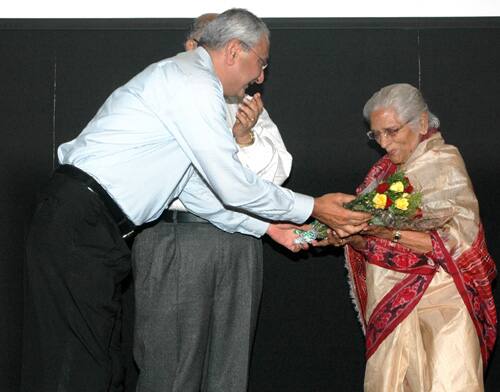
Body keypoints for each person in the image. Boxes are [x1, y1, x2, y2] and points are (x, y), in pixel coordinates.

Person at [21, 9, 370, 392]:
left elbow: (197, 192)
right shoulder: (192, 82)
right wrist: (313, 207)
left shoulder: (189, 86)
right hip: (80, 221)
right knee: (76, 366)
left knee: (101, 365)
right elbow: (231, 184)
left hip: (93, 230)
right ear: (235, 51)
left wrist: (269, 227)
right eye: (261, 62)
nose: (262, 77)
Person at [131, 13, 293, 392]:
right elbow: (200, 181)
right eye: (210, 42)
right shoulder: (169, 88)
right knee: (170, 371)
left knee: (229, 370)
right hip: (179, 238)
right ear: (193, 47)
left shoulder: (245, 103)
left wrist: (244, 139)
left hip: (240, 242)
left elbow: (279, 169)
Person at [317, 83, 497, 391]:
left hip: (444, 305)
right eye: (376, 135)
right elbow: (372, 244)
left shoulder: (444, 164)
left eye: (392, 131)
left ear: (422, 123)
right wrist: (348, 237)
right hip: (393, 310)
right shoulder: (382, 175)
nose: (384, 143)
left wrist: (379, 230)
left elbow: (456, 243)